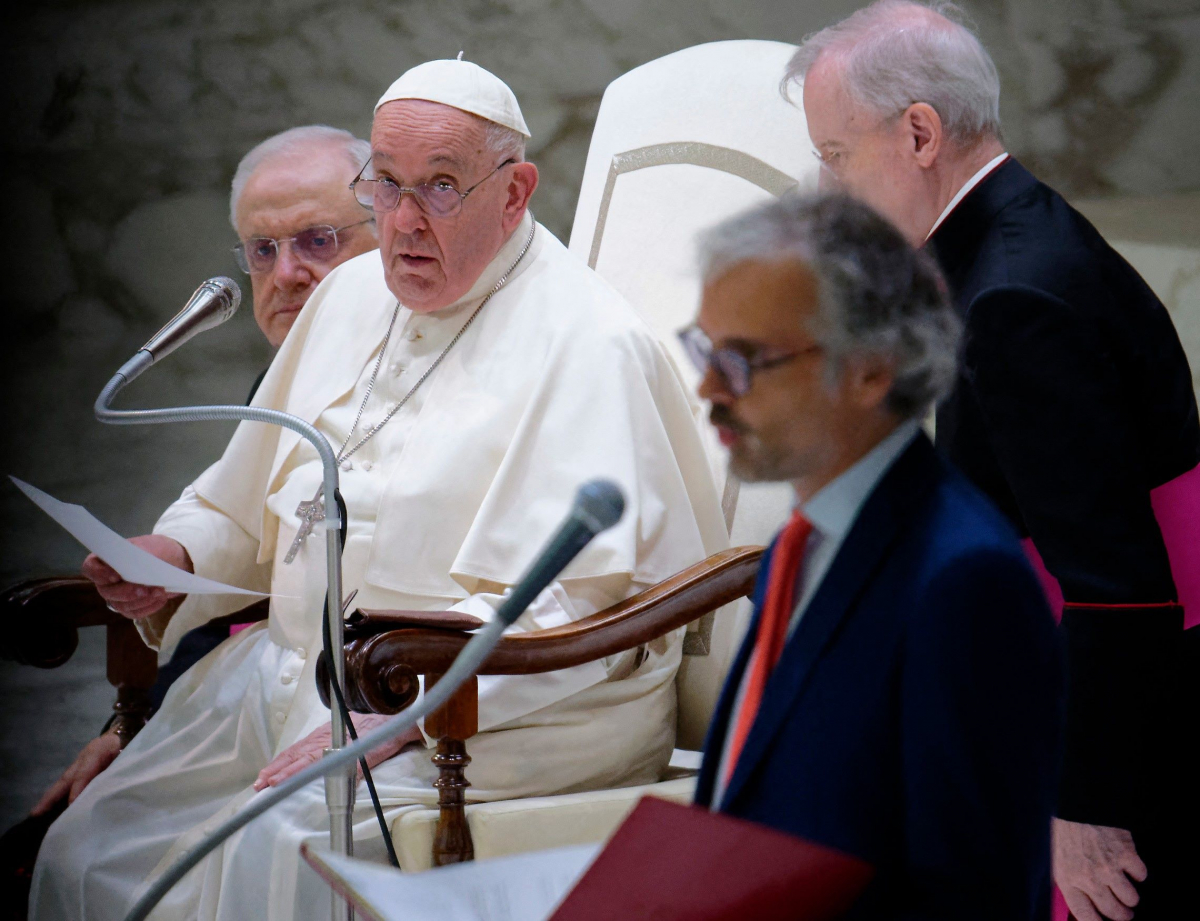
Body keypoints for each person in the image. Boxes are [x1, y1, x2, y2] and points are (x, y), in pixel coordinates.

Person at [30, 59, 727, 921]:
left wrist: (410, 709)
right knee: (88, 842)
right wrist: (173, 556)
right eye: (386, 185)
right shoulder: (351, 294)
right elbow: (239, 497)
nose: (402, 222)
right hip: (290, 680)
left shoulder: (591, 342)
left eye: (439, 187)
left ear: (514, 194)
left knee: (285, 851)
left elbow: (586, 610)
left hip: (486, 717)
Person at [785, 4, 1198, 919]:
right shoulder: (1012, 239)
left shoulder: (1014, 298)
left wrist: (1083, 807)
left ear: (920, 133)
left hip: (1110, 742)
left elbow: (1117, 585)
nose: (824, 183)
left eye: (837, 152)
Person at [686, 192, 1063, 918]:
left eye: (742, 359)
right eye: (705, 351)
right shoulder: (794, 550)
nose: (707, 389)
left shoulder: (963, 581)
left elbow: (973, 897)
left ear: (870, 368)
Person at [26, 124, 379, 824]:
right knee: (78, 831)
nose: (285, 275)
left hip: (384, 706)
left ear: (388, 232)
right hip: (275, 697)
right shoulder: (279, 383)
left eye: (317, 240)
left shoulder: (449, 370)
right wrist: (134, 722)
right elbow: (247, 556)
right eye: (262, 249)